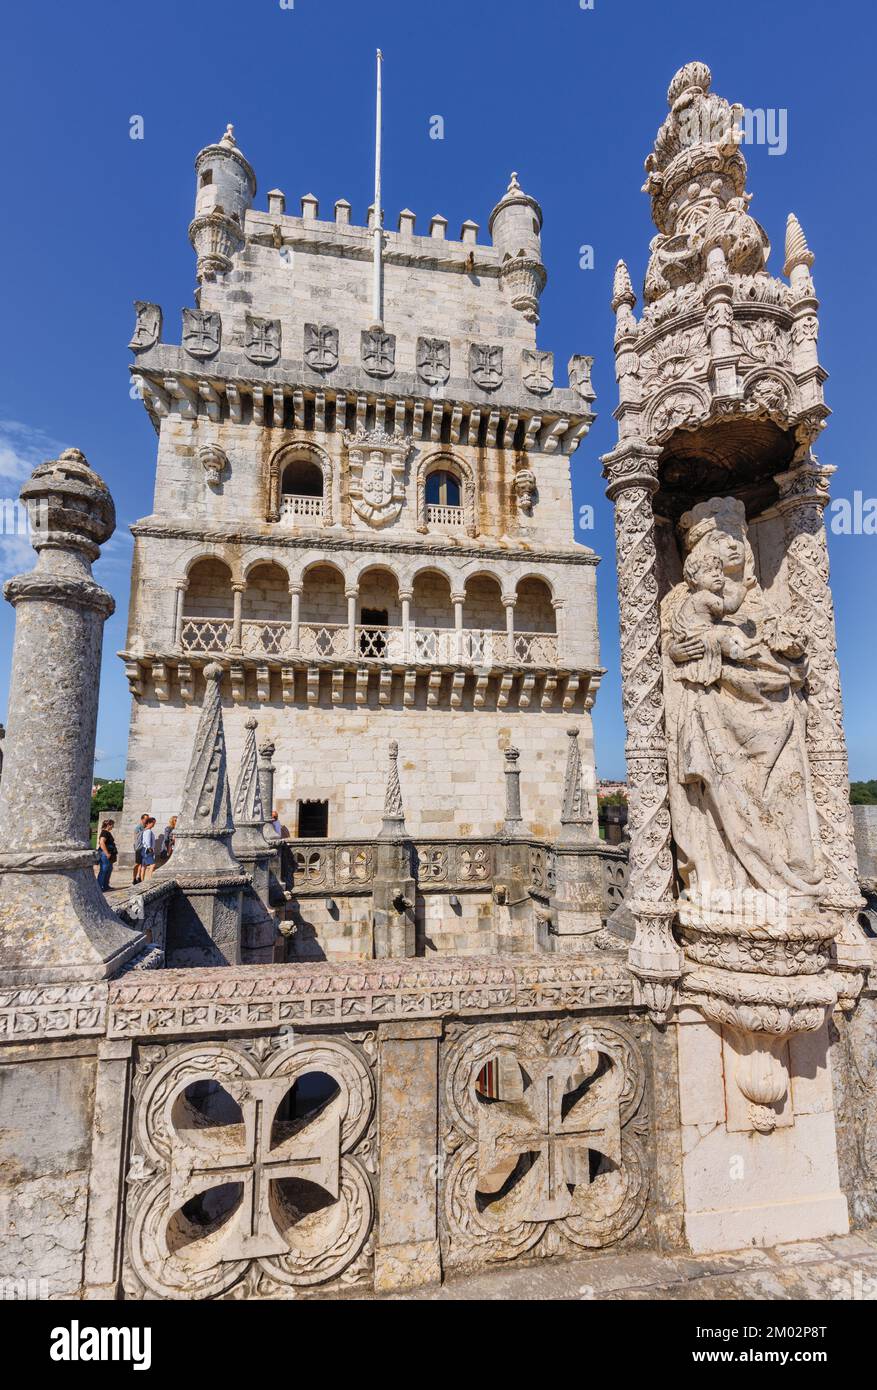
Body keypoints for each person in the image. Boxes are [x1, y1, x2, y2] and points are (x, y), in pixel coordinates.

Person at [97, 819, 118, 891]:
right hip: (105, 854)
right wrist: (107, 853)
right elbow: (101, 842)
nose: (112, 827)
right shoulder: (104, 833)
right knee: (103, 870)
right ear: (108, 825)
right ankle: (99, 887)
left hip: (108, 854)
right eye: (112, 825)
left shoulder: (106, 832)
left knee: (109, 869)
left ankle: (105, 886)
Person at [133, 812, 149, 884]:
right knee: (137, 863)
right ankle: (134, 878)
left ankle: (139, 877)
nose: (147, 820)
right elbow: (136, 837)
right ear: (142, 819)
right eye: (146, 819)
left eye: (147, 819)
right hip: (139, 847)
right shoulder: (138, 827)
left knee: (142, 864)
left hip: (143, 848)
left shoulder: (145, 827)